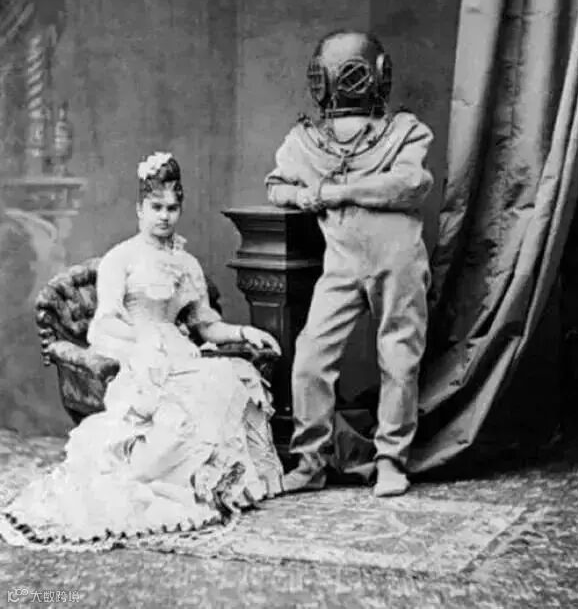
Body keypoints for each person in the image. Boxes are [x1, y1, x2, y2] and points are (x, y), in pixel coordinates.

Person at [0, 152, 283, 548]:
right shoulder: (122, 258)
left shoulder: (186, 263)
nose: (164, 216)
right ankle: (171, 479)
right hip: (137, 352)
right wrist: (144, 346)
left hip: (180, 352)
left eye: (171, 208)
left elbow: (205, 325)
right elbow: (105, 322)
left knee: (233, 377)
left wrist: (244, 331)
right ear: (139, 209)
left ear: (180, 209)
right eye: (156, 207)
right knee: (176, 408)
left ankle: (219, 484)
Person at [265, 31, 433, 497]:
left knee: (398, 357)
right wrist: (301, 195)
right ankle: (311, 462)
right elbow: (275, 185)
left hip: (398, 263)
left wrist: (336, 192)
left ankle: (391, 461)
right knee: (311, 357)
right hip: (341, 265)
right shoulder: (305, 142)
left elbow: (410, 185)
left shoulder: (405, 131)